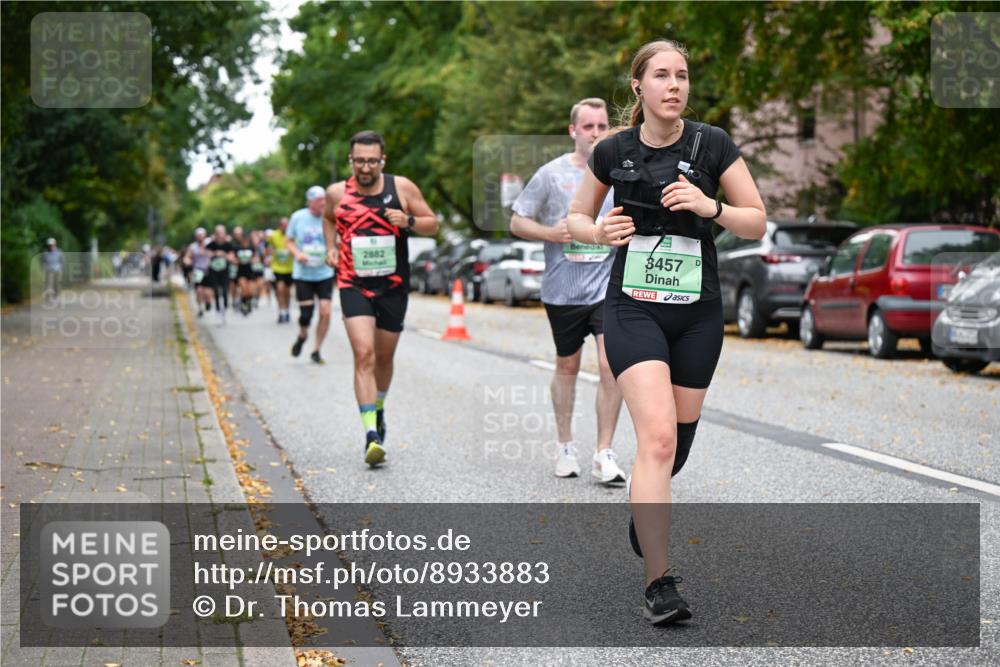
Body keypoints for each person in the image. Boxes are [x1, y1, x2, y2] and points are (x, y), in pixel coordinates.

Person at [567, 40, 766, 625]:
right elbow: (578, 218)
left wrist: (712, 207)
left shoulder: (713, 144)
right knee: (655, 441)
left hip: (697, 313)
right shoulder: (612, 151)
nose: (674, 85)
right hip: (633, 310)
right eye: (661, 75)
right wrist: (599, 233)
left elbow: (755, 219)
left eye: (682, 76)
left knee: (675, 446)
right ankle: (659, 582)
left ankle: (643, 505)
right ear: (639, 88)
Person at [510, 97, 626, 484]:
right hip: (563, 289)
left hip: (607, 287)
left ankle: (603, 452)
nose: (595, 134)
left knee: (613, 366)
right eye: (588, 127)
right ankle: (564, 446)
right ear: (573, 130)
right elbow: (517, 221)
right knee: (568, 366)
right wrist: (549, 232)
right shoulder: (550, 174)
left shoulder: (619, 172)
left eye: (601, 126)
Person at [323, 130, 438, 467]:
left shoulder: (401, 188)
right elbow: (328, 218)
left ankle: (380, 405)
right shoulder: (336, 193)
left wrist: (410, 220)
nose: (366, 167)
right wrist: (331, 247)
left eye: (372, 161)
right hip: (352, 282)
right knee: (364, 354)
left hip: (392, 286)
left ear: (382, 161)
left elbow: (433, 223)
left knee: (384, 358)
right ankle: (371, 435)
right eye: (360, 161)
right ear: (351, 160)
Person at [286, 186, 335, 364]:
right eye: (318, 200)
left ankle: (316, 349)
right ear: (310, 202)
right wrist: (297, 254)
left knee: (325, 311)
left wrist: (333, 252)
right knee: (306, 314)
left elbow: (338, 240)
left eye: (324, 199)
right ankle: (302, 335)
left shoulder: (330, 217)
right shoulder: (298, 217)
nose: (322, 203)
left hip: (324, 272)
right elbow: (289, 241)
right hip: (303, 274)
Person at [205, 225, 236, 325]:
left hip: (225, 272)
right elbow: (207, 255)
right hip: (214, 271)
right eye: (218, 233)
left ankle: (225, 311)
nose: (220, 235)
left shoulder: (228, 245)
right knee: (216, 292)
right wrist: (215, 253)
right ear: (215, 234)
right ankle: (218, 312)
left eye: (222, 232)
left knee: (225, 291)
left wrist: (223, 254)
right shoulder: (211, 244)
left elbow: (232, 258)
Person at [268, 217, 295, 323]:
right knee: (279, 289)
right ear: (280, 226)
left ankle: (287, 310)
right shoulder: (273, 235)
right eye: (283, 225)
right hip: (277, 268)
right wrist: (268, 255)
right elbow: (267, 247)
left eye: (287, 225)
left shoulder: (293, 235)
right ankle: (281, 312)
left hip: (290, 268)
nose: (286, 227)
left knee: (287, 291)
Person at [184, 227, 213, 317]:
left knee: (208, 292)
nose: (200, 237)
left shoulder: (209, 244)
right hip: (198, 270)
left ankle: (208, 302)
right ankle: (200, 308)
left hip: (208, 270)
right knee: (199, 290)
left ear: (205, 236)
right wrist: (187, 261)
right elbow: (187, 256)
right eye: (198, 236)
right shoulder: (193, 246)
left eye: (202, 235)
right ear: (196, 237)